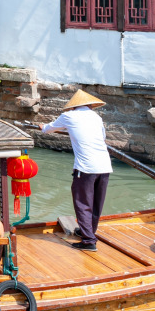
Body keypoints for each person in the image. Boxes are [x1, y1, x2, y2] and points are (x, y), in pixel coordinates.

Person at [41, 89, 111, 252]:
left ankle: (88, 241)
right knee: (95, 204)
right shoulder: (96, 117)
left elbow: (48, 129)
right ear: (89, 105)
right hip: (104, 165)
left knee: (82, 203)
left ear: (73, 106)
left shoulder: (69, 116)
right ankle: (88, 231)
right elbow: (102, 137)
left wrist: (41, 126)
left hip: (85, 167)